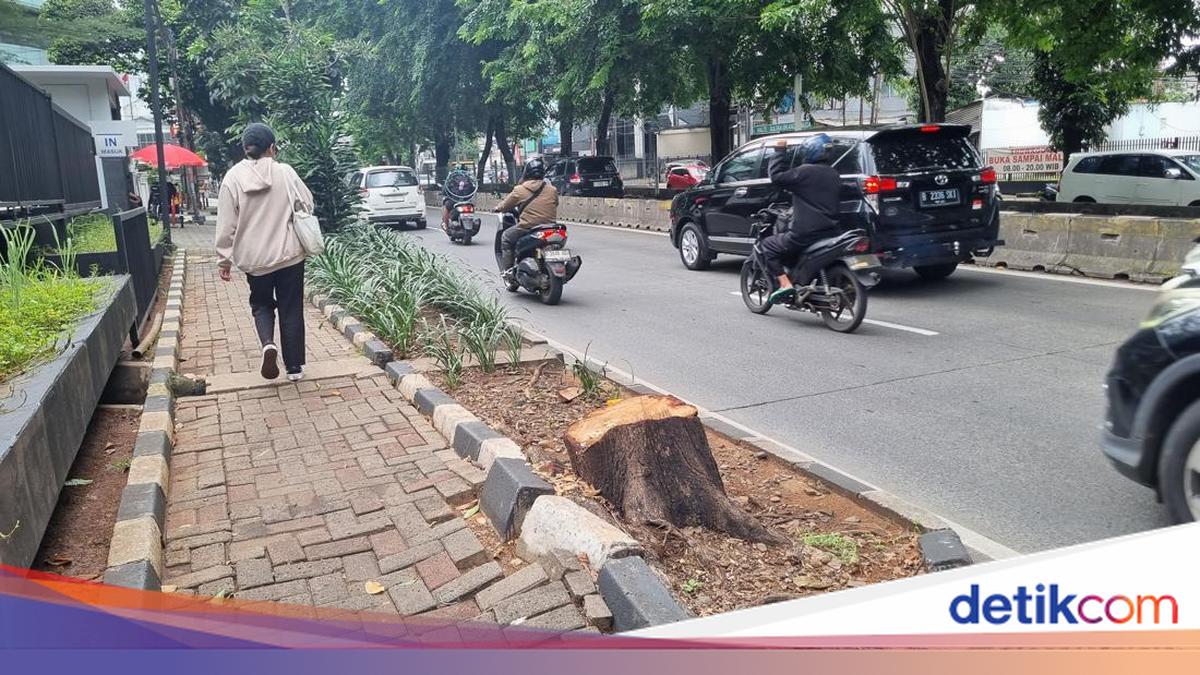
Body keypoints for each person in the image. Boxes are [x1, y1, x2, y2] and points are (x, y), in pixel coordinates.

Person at [215, 122, 315, 382]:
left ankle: (268, 343)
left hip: (254, 260)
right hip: (289, 254)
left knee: (261, 304)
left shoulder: (232, 178)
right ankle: (294, 368)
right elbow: (306, 203)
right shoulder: (285, 172)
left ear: (246, 149)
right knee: (291, 307)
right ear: (272, 147)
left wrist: (223, 260)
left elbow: (226, 223)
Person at [760, 133, 842, 304]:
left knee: (768, 246)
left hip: (805, 234)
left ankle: (784, 284)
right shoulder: (834, 174)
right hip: (832, 232)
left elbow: (776, 177)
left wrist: (779, 151)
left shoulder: (804, 172)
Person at [495, 157, 558, 271]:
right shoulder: (552, 189)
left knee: (506, 237)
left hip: (528, 227)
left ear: (526, 172)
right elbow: (556, 204)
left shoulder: (519, 190)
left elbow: (505, 206)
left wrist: (497, 208)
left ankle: (508, 271)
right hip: (551, 227)